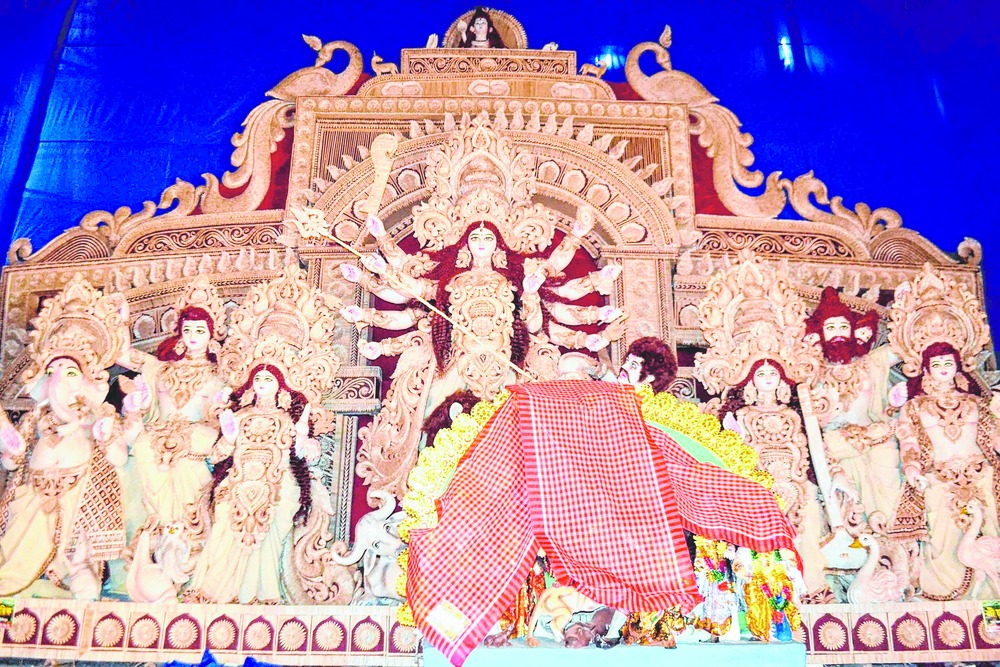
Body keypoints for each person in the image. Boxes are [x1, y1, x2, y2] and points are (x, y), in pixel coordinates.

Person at [185, 364, 319, 603]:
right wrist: (228, 438)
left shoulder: (287, 419)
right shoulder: (239, 416)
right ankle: (212, 593)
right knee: (225, 520)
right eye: (258, 378)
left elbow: (307, 456)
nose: (262, 383)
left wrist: (302, 436)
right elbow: (215, 457)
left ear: (280, 386)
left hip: (277, 480)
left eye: (269, 379)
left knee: (273, 516)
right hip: (238, 480)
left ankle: (261, 594)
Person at [889, 342, 1000, 600]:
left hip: (981, 476)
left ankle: (992, 592)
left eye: (948, 363)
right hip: (939, 479)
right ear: (925, 369)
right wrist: (912, 468)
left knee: (991, 531)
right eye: (936, 364)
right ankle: (948, 592)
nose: (942, 369)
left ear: (958, 367)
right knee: (942, 537)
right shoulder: (914, 407)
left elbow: (994, 439)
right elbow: (909, 442)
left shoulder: (977, 403)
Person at [116, 279, 228, 529]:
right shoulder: (161, 368)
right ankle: (153, 525)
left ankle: (189, 529)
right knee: (142, 448)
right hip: (156, 435)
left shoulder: (220, 373)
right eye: (188, 329)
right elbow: (122, 354)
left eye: (200, 330)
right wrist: (123, 319)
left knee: (188, 456)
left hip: (196, 438)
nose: (193, 336)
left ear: (212, 333)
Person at [805, 286, 903, 524]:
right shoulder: (811, 371)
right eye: (830, 328)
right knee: (849, 505)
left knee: (891, 503)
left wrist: (906, 308)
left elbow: (905, 346)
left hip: (877, 438)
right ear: (820, 333)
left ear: (852, 330)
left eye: (843, 327)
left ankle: (894, 536)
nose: (838, 333)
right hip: (836, 445)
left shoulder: (871, 362)